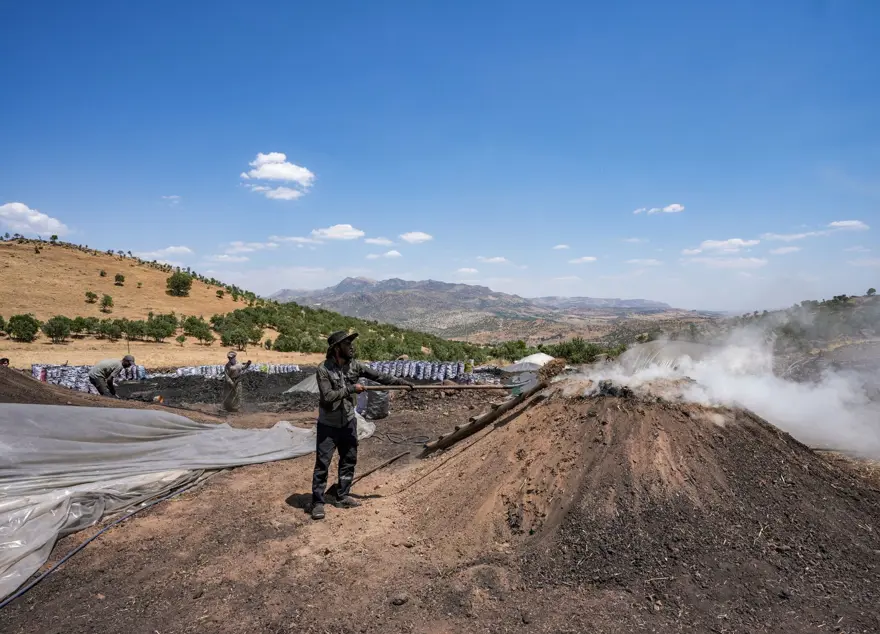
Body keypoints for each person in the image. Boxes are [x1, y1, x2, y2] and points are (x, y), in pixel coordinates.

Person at [310, 331, 414, 520]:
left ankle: (342, 495)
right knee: (322, 464)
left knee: (349, 459)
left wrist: (401, 382)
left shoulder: (355, 366)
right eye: (347, 343)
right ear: (336, 348)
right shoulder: (323, 369)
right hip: (328, 425)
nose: (352, 346)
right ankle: (317, 502)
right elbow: (328, 396)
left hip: (348, 421)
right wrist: (351, 388)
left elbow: (379, 376)